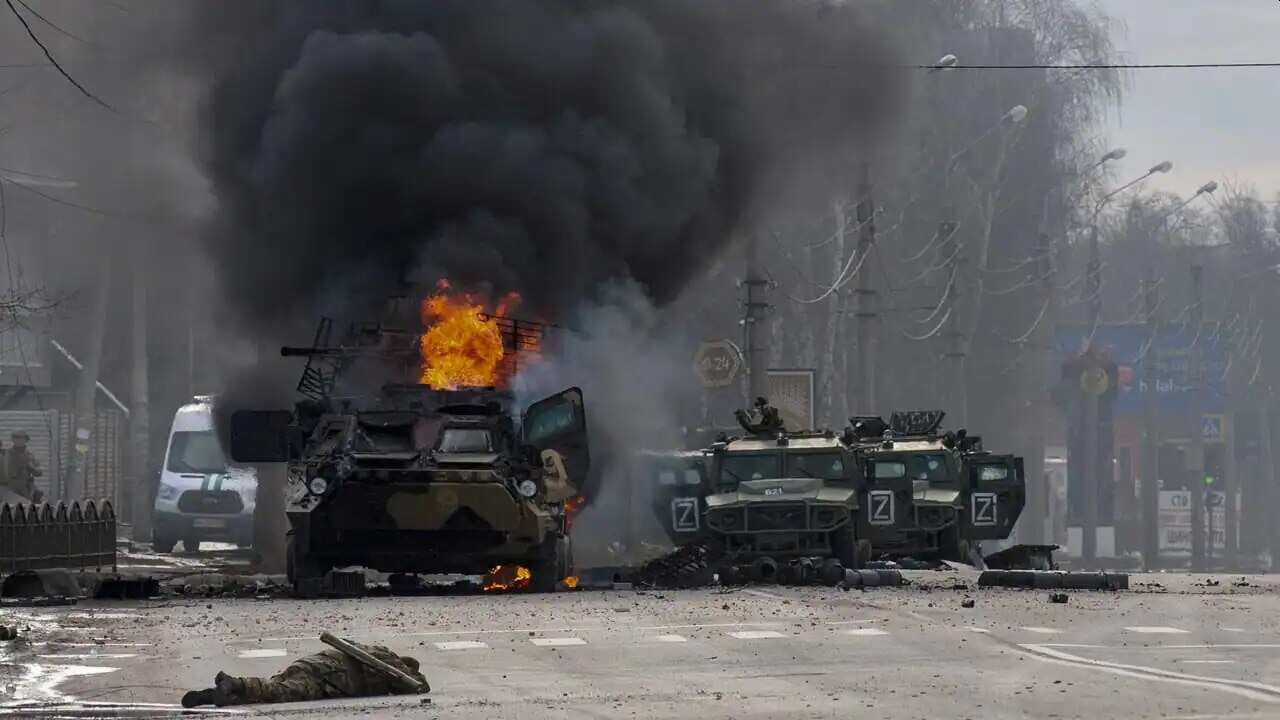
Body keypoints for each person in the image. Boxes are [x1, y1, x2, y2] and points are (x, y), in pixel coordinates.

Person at [182, 640, 428, 707]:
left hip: (312, 665)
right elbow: (419, 687)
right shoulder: (391, 666)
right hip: (328, 677)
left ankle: (219, 695)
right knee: (280, 691)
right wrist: (412, 674)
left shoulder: (374, 651)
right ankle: (234, 683)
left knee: (274, 690)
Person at [5, 431, 42, 503]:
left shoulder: (30, 455)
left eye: (22, 439)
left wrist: (31, 467)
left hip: (26, 489)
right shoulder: (7, 454)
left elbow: (39, 472)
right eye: (17, 439)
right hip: (10, 489)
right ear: (13, 440)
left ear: (26, 440)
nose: (19, 441)